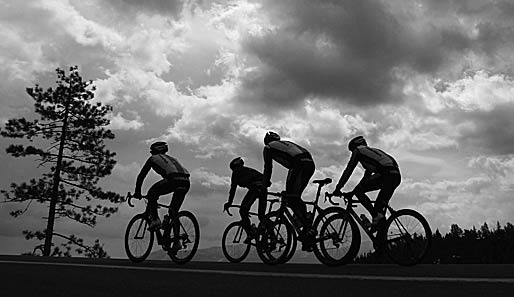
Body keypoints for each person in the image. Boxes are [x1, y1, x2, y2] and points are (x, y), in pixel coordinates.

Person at [330, 136, 401, 230]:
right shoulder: (371, 153)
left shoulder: (358, 151)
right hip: (395, 175)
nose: (352, 153)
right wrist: (353, 192)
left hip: (386, 174)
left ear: (355, 146)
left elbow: (349, 170)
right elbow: (366, 179)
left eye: (352, 151)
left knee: (364, 198)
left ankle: (377, 218)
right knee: (378, 209)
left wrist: (338, 188)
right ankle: (381, 238)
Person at [134, 141, 190, 253]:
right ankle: (176, 242)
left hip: (173, 179)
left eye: (152, 151)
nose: (151, 153)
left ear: (155, 151)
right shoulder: (172, 158)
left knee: (152, 193)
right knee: (173, 212)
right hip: (186, 181)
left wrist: (137, 192)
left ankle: (155, 220)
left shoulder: (153, 159)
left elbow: (141, 176)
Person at [262, 131, 315, 242]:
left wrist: (264, 184)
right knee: (295, 197)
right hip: (310, 163)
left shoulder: (268, 147)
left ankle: (306, 225)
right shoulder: (286, 143)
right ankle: (306, 223)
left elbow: (268, 168)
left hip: (298, 164)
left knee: (291, 198)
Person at [223, 157, 266, 242]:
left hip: (257, 189)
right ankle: (259, 232)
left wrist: (229, 202)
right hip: (259, 189)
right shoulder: (239, 173)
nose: (236, 171)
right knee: (260, 216)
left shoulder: (246, 172)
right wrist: (229, 202)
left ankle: (252, 233)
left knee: (244, 211)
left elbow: (233, 189)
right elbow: (233, 189)